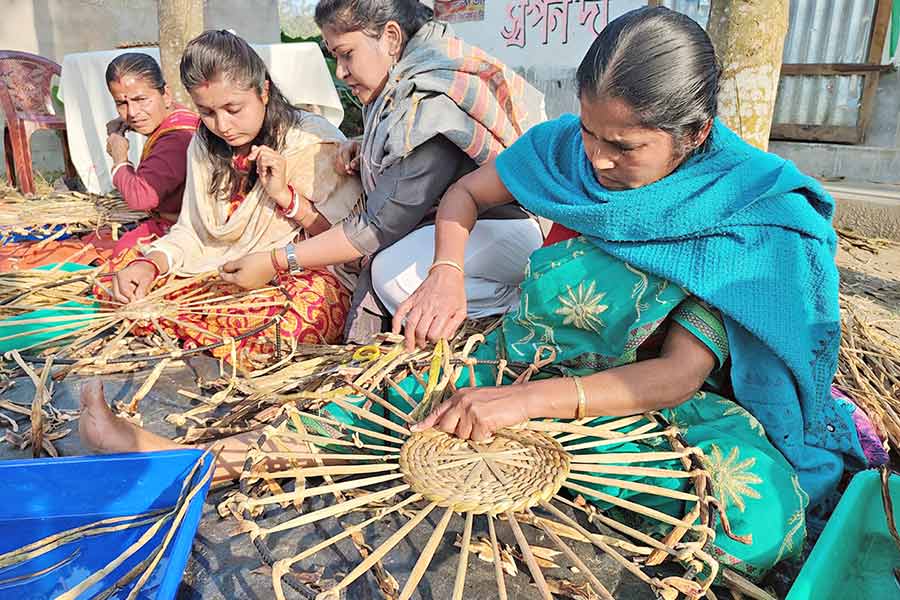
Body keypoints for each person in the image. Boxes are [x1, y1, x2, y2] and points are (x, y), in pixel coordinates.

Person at [389, 6, 874, 578]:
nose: (596, 159)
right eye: (589, 131)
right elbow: (465, 194)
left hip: (647, 405)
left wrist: (525, 405)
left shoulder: (741, 212)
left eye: (624, 146)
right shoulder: (563, 150)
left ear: (692, 135)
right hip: (533, 361)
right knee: (389, 411)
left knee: (751, 524)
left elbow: (677, 377)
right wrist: (446, 272)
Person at [217, 0, 546, 341]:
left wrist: (275, 261)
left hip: (505, 231)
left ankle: (518, 306)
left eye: (347, 54)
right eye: (334, 57)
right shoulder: (402, 80)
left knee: (391, 275)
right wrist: (364, 143)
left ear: (390, 37)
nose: (341, 72)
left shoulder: (429, 102)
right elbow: (403, 157)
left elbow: (375, 226)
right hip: (461, 232)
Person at [108, 30, 363, 366]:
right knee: (125, 286)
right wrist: (150, 263)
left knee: (277, 334)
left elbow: (349, 246)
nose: (223, 126)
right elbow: (193, 231)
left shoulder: (311, 141)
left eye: (233, 108)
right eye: (208, 112)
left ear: (264, 91)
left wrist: (286, 198)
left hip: (304, 270)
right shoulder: (204, 145)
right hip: (225, 267)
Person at [97, 53, 200, 257]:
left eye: (141, 99)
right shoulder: (175, 115)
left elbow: (140, 198)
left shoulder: (177, 137)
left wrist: (120, 159)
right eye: (122, 104)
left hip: (188, 232)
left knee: (122, 256)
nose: (133, 112)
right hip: (173, 221)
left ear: (166, 95)